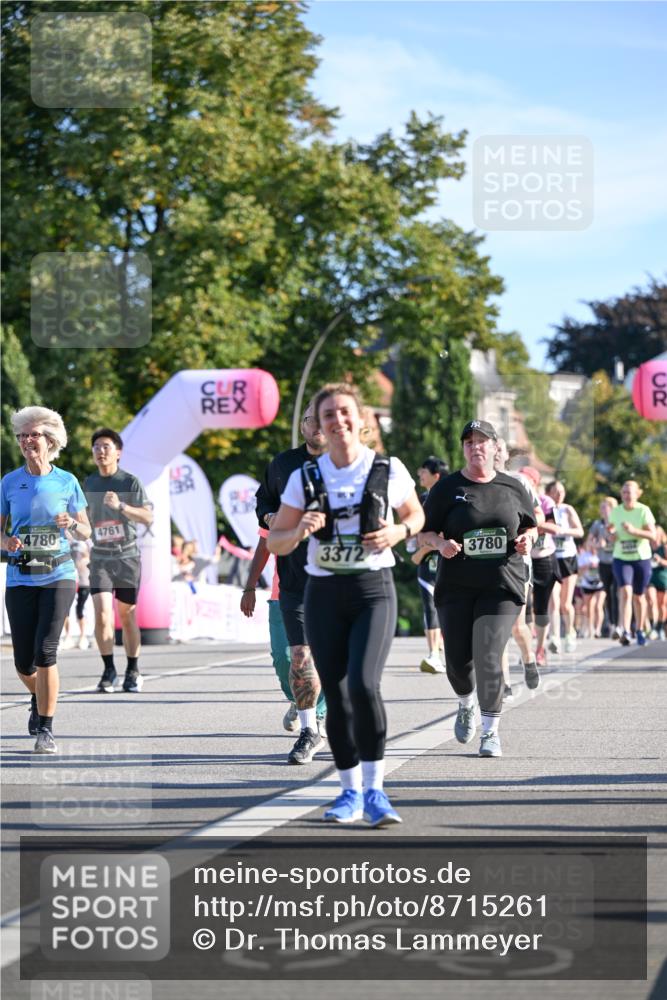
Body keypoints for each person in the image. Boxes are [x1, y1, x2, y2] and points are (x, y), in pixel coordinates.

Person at [268, 384, 423, 825]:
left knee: (363, 686)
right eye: (328, 415)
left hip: (372, 590)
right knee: (335, 693)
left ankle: (375, 791)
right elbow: (277, 541)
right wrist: (299, 532)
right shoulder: (305, 478)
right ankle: (349, 792)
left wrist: (398, 533)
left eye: (345, 412)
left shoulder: (387, 470)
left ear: (363, 419)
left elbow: (416, 515)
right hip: (323, 594)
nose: (338, 421)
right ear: (318, 424)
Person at [419, 419, 536, 759]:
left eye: (482, 441)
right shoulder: (446, 489)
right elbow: (423, 534)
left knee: (487, 655)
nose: (475, 447)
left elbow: (531, 527)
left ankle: (491, 731)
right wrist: (439, 544)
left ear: (496, 447)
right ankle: (465, 702)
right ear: (463, 449)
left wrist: (528, 539)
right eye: (468, 442)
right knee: (457, 661)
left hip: (501, 584)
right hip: (456, 586)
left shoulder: (513, 487)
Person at [1, 407, 91, 753]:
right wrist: (7, 542)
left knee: (45, 652)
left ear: (49, 440)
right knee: (23, 662)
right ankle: (38, 698)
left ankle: (46, 728)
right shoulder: (9, 482)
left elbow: (86, 529)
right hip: (21, 577)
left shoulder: (67, 481)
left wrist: (72, 523)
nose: (26, 441)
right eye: (22, 436)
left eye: (33, 435)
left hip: (58, 574)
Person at [255, 401, 327, 762]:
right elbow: (263, 504)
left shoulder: (352, 466)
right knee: (296, 656)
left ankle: (328, 716)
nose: (318, 425)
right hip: (294, 576)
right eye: (312, 418)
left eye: (325, 418)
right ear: (303, 425)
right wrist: (270, 515)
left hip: (340, 577)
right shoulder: (284, 464)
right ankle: (309, 729)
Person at [83, 428, 154, 693]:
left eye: (106, 447)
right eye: (96, 447)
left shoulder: (129, 482)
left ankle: (133, 669)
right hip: (100, 557)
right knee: (102, 615)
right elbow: (85, 520)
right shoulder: (88, 484)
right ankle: (108, 669)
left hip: (126, 557)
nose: (101, 452)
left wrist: (121, 507)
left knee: (127, 615)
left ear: (118, 452)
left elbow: (148, 517)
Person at [493, 443, 543, 696]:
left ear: (504, 454)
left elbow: (539, 516)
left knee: (516, 625)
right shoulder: (474, 482)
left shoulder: (519, 482)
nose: (494, 452)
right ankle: (505, 683)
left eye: (499, 448)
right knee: (498, 624)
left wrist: (528, 537)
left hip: (517, 561)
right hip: (489, 564)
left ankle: (529, 659)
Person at [410, 456, 448, 674]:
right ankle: (433, 654)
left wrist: (424, 549)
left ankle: (451, 649)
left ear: (436, 475)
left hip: (445, 559)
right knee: (429, 606)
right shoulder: (421, 499)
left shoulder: (451, 495)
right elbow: (419, 532)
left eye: (423, 471)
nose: (420, 475)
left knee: (447, 606)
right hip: (426, 563)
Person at [608, 480, 656, 646]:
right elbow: (610, 530)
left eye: (630, 492)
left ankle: (640, 629)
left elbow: (653, 535)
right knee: (626, 592)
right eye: (624, 493)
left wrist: (634, 531)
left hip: (641, 558)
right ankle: (626, 630)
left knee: (639, 597)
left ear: (637, 494)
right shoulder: (616, 511)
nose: (627, 496)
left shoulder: (643, 510)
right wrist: (611, 536)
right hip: (621, 558)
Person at [545, 481, 584, 654]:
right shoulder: (545, 508)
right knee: (553, 601)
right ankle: (554, 637)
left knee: (565, 603)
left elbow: (580, 532)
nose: (559, 495)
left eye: (561, 492)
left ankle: (569, 633)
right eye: (555, 492)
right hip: (551, 557)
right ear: (548, 493)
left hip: (568, 557)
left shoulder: (567, 509)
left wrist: (562, 531)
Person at [588, 498, 619, 638]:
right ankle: (611, 624)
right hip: (603, 562)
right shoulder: (597, 524)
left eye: (605, 507)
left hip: (618, 561)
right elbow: (589, 541)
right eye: (601, 508)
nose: (603, 510)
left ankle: (618, 624)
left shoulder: (617, 522)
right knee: (607, 593)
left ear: (612, 508)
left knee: (616, 592)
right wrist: (597, 544)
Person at [577, 537, 606, 637]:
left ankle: (598, 629)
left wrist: (599, 566)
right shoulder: (584, 556)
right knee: (588, 607)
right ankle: (590, 628)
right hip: (587, 584)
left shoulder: (602, 556)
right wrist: (587, 566)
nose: (594, 547)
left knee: (598, 606)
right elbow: (579, 572)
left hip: (600, 584)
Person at [647, 526, 667, 640]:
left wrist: (660, 560)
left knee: (662, 605)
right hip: (650, 578)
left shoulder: (664, 548)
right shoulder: (647, 547)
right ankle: (652, 626)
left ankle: (660, 628)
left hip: (662, 578)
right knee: (651, 599)